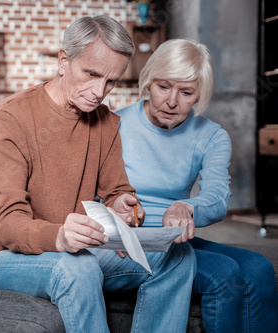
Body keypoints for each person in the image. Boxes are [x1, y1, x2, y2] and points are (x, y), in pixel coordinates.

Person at [0, 16, 197, 333]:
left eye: (111, 81)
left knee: (178, 256)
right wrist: (58, 236)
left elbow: (119, 193)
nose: (100, 91)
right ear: (63, 61)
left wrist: (126, 207)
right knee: (79, 269)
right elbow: (8, 225)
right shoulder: (13, 116)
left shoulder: (107, 123)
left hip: (70, 249)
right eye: (92, 74)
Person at [115, 38, 278, 333]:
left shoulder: (212, 135)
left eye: (186, 92)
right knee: (224, 272)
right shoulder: (115, 125)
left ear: (200, 95)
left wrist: (186, 207)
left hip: (176, 240)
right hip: (132, 241)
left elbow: (216, 196)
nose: (172, 101)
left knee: (259, 267)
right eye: (163, 87)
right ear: (149, 81)